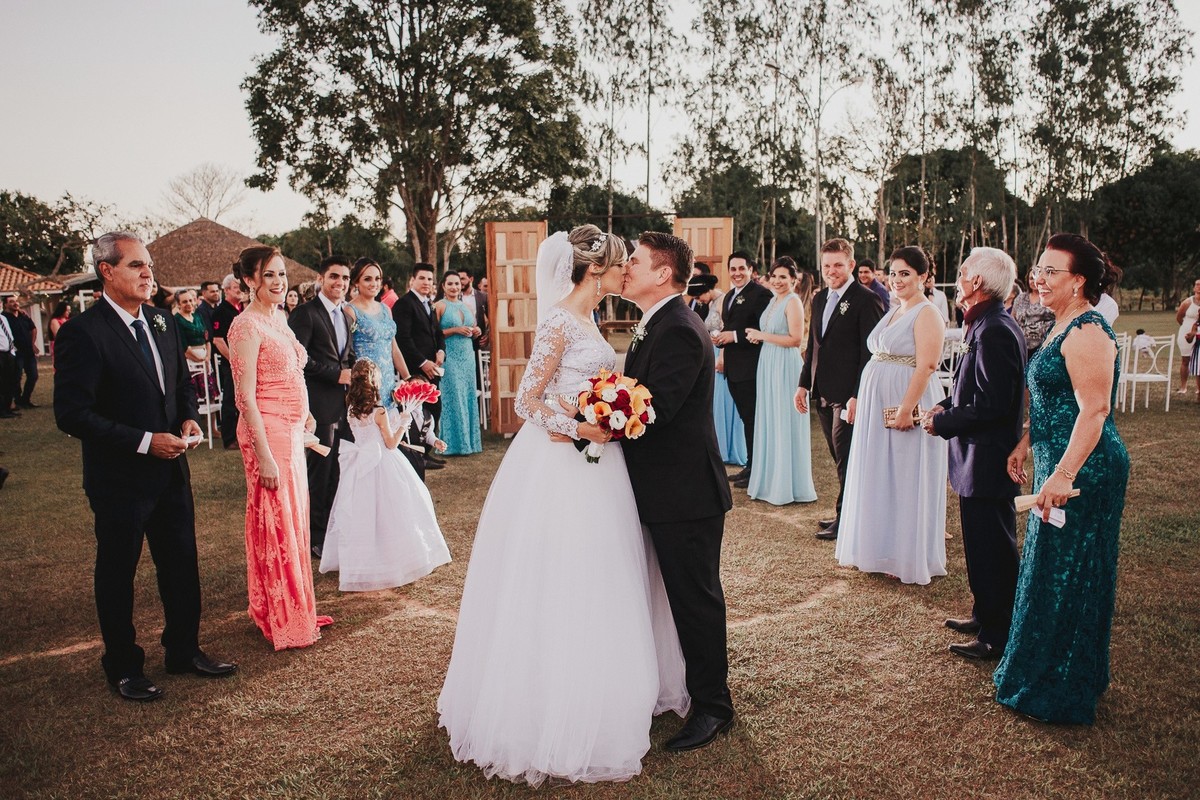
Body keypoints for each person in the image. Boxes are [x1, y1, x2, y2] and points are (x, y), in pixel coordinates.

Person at [439, 225, 689, 785]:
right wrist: (578, 427)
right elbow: (526, 399)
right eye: (619, 266)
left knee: (604, 572)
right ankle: (549, 700)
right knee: (563, 574)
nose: (625, 273)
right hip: (560, 467)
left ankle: (604, 686)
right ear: (595, 271)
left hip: (600, 464)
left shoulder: (592, 319)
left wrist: (600, 414)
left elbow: (577, 389)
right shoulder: (558, 320)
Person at [54, 231, 236, 701]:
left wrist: (188, 418)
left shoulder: (162, 321)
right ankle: (122, 665)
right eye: (136, 265)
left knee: (181, 564)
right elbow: (72, 414)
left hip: (172, 471)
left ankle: (183, 650)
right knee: (118, 572)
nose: (148, 273)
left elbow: (179, 386)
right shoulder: (83, 332)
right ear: (106, 271)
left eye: (149, 265)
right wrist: (143, 442)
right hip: (119, 478)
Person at [994, 233, 1130, 724]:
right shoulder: (1061, 324)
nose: (1039, 278)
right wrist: (1027, 441)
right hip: (1057, 461)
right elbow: (1058, 400)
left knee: (1071, 575)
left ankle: (1065, 685)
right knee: (1047, 569)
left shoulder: (1088, 331)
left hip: (1086, 470)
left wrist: (1062, 473)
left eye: (1052, 271)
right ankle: (1038, 672)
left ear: (1079, 281)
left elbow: (1094, 411)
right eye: (1039, 269)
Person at [621, 230, 737, 751]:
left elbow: (657, 409)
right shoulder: (658, 322)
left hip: (686, 495)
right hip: (665, 490)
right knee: (680, 599)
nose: (626, 267)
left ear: (663, 273)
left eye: (635, 261)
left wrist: (596, 419)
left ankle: (714, 707)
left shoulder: (680, 330)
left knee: (696, 602)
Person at [922, 247, 1026, 660]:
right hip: (974, 457)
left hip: (988, 457)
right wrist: (944, 406)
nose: (959, 278)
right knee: (981, 545)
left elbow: (992, 404)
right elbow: (971, 387)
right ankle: (985, 614)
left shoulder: (995, 328)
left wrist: (942, 423)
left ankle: (997, 634)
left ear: (977, 282)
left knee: (993, 548)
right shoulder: (981, 322)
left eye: (963, 272)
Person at [228, 246, 331, 649]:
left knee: (294, 518)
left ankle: (297, 606)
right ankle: (283, 615)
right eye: (268, 274)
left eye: (282, 274)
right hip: (267, 434)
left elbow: (292, 375)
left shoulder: (280, 319)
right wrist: (265, 456)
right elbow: (245, 397)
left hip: (290, 430)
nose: (278, 281)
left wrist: (306, 414)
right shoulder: (245, 327)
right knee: (276, 520)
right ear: (249, 280)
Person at [837, 247, 948, 584]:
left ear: (923, 277)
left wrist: (905, 408)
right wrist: (861, 396)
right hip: (876, 403)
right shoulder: (895, 309)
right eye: (894, 273)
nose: (897, 280)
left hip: (905, 401)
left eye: (905, 274)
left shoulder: (927, 313)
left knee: (904, 474)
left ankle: (905, 554)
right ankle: (880, 547)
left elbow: (927, 365)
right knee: (880, 473)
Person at [319, 359, 450, 591]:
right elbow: (390, 444)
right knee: (395, 509)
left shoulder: (351, 410)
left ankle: (363, 560)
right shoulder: (379, 412)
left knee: (364, 514)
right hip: (383, 463)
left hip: (360, 468)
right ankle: (395, 560)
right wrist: (403, 423)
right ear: (375, 383)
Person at [796, 238, 886, 540]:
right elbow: (814, 346)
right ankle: (847, 513)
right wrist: (803, 384)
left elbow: (870, 354)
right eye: (827, 265)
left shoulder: (867, 300)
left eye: (838, 265)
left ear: (851, 265)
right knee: (839, 458)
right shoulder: (820, 298)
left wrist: (858, 395)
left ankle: (846, 519)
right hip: (822, 391)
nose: (831, 270)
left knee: (848, 459)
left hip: (848, 397)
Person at [288, 255, 356, 557]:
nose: (340, 283)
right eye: (334, 276)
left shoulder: (346, 316)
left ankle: (333, 531)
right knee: (320, 473)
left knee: (340, 471)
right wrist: (334, 375)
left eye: (345, 278)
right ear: (321, 278)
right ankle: (314, 536)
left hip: (344, 406)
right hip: (318, 406)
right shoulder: (306, 313)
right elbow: (297, 358)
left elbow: (347, 357)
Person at [744, 257, 817, 505]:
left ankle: (787, 485)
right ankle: (770, 481)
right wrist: (759, 337)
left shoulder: (793, 301)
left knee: (784, 420)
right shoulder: (773, 300)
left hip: (785, 365)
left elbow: (795, 339)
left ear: (793, 280)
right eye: (774, 276)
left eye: (783, 277)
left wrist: (762, 335)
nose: (777, 281)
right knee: (770, 419)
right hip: (768, 362)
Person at [712, 251, 771, 488]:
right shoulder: (729, 296)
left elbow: (764, 330)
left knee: (753, 419)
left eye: (741, 269)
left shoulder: (761, 294)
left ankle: (757, 468)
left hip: (751, 368)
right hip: (733, 369)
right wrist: (721, 341)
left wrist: (734, 336)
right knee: (747, 419)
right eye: (733, 269)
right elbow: (729, 326)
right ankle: (749, 464)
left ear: (751, 270)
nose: (737, 273)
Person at [393, 263, 446, 470]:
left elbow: (437, 333)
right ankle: (418, 453)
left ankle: (426, 451)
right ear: (412, 280)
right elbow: (403, 339)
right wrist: (422, 363)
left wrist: (441, 350)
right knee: (416, 413)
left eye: (430, 279)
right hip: (415, 369)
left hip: (433, 368)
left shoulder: (429, 304)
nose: (426, 282)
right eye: (422, 278)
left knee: (432, 409)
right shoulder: (404, 304)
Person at [691, 275, 747, 467]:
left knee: (724, 400)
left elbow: (725, 328)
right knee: (716, 400)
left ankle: (727, 447)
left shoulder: (723, 300)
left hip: (721, 352)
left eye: (699, 296)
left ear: (706, 290)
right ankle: (719, 446)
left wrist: (722, 357)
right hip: (713, 350)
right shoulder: (711, 303)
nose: (698, 300)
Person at [434, 272, 482, 455]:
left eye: (457, 283)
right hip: (450, 356)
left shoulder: (466, 306)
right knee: (453, 396)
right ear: (443, 286)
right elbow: (434, 333)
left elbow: (473, 327)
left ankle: (470, 443)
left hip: (467, 356)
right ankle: (452, 444)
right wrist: (455, 330)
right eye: (450, 284)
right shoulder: (439, 306)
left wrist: (476, 331)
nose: (454, 287)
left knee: (468, 395)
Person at [210, 273, 243, 448]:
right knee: (230, 400)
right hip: (230, 363)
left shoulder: (241, 309)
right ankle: (229, 438)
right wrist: (234, 360)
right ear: (227, 290)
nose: (240, 290)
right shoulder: (220, 312)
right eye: (236, 287)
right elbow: (218, 340)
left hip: (243, 362)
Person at [173, 288, 216, 402]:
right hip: (190, 361)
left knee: (210, 397)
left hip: (205, 358)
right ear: (178, 304)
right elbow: (183, 346)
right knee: (195, 397)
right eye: (185, 301)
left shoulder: (198, 316)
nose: (189, 303)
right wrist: (199, 359)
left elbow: (207, 338)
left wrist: (207, 357)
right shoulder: (177, 320)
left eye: (191, 300)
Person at [3, 295, 39, 408]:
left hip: (28, 351)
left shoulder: (23, 315)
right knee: (16, 377)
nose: (15, 303)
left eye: (16, 301)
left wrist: (32, 343)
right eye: (11, 302)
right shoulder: (3, 318)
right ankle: (17, 400)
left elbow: (33, 328)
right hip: (15, 352)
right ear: (5, 304)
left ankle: (25, 399)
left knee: (33, 375)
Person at [1006, 279, 1055, 355]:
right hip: (1021, 345)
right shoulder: (1020, 298)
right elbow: (1012, 319)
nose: (1033, 281)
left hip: (1044, 345)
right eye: (1031, 278)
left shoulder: (1049, 297)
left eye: (1035, 278)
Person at [1174, 278, 1200, 394]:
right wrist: (1186, 327)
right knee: (1186, 360)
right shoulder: (1187, 302)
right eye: (1197, 285)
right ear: (1194, 287)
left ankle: (1198, 388)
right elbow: (1179, 317)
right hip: (1186, 333)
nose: (1199, 287)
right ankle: (1183, 386)